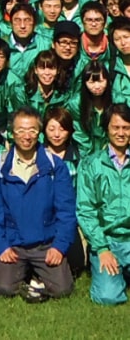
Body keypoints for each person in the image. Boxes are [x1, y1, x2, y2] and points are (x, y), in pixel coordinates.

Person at [0, 106, 76, 302]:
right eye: (21, 130)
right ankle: (23, 273)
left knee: (62, 289)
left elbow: (66, 211)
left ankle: (37, 274)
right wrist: (1, 246)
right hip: (13, 244)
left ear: (39, 133)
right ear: (12, 133)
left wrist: (59, 246)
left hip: (46, 244)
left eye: (32, 130)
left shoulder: (55, 167)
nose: (27, 136)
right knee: (3, 288)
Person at [77, 103, 130, 305]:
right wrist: (102, 249)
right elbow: (86, 210)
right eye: (116, 127)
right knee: (107, 297)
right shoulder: (91, 164)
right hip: (107, 241)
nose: (121, 133)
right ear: (106, 128)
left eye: (126, 128)